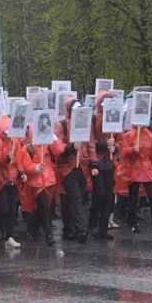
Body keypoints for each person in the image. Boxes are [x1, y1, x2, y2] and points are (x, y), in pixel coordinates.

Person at [54, 97, 98, 243]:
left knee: (76, 198)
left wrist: (94, 163)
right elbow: (57, 146)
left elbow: (90, 144)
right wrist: (70, 147)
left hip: (82, 166)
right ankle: (82, 230)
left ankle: (68, 228)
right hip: (67, 168)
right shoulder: (61, 125)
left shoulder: (86, 124)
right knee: (76, 198)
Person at [115, 115, 152, 233]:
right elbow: (122, 152)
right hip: (134, 169)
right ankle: (132, 223)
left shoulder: (149, 135)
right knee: (133, 197)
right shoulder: (128, 135)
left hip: (147, 169)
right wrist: (132, 149)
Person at [0, 115, 23, 249]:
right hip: (0, 180)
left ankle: (9, 236)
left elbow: (19, 159)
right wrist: (6, 159)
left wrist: (21, 172)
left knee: (13, 208)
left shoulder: (14, 141)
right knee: (3, 207)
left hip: (13, 179)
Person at [89, 90, 118, 240]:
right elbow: (91, 141)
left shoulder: (115, 117)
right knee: (99, 194)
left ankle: (103, 228)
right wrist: (94, 161)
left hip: (109, 162)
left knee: (108, 196)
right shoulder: (94, 118)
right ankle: (92, 225)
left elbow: (119, 139)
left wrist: (115, 148)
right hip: (98, 162)